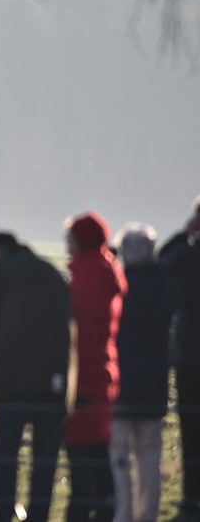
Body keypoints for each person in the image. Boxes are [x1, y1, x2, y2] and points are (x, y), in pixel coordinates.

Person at [0, 231, 72, 522]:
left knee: (6, 453)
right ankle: (39, 514)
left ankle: (3, 511)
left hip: (14, 381)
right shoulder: (49, 272)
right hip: (54, 381)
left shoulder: (0, 272)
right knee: (45, 459)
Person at [63, 211, 127, 522]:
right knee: (98, 457)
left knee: (83, 463)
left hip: (85, 379)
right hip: (102, 375)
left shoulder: (86, 278)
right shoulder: (104, 271)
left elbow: (78, 333)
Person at [109, 223, 174, 522]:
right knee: (149, 453)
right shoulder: (164, 285)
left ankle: (123, 513)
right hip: (153, 380)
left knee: (119, 451)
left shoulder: (116, 286)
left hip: (119, 381)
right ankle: (147, 514)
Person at [159, 196, 200, 522]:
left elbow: (162, 259)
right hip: (189, 354)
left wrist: (184, 233)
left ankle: (191, 499)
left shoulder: (185, 256)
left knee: (191, 433)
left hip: (190, 357)